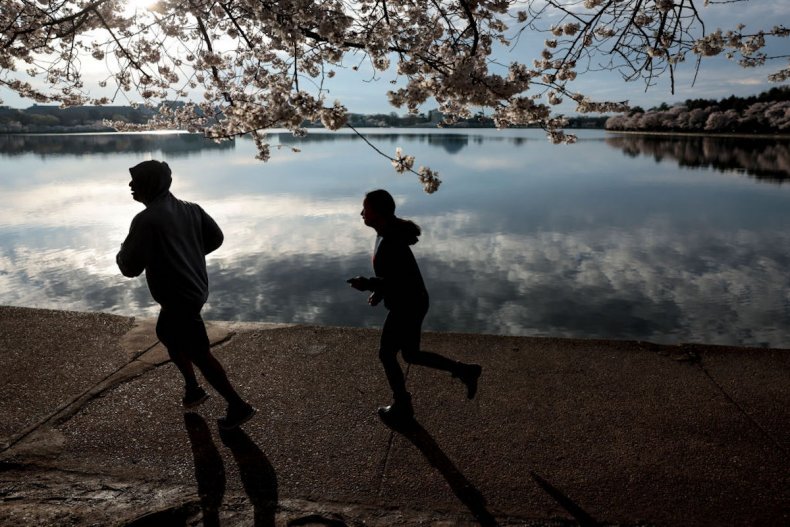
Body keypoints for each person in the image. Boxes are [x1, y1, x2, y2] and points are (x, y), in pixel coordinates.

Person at [117, 160, 255, 430]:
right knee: (166, 334)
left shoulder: (146, 220)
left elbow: (130, 267)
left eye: (136, 180)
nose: (131, 185)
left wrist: (122, 251)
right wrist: (187, 253)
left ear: (151, 183)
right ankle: (192, 389)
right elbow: (216, 239)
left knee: (200, 352)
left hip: (179, 295)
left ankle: (238, 405)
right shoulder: (191, 209)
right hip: (194, 289)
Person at [348, 189, 482, 421]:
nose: (361, 213)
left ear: (378, 212)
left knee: (386, 354)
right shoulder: (385, 233)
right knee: (411, 355)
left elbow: (397, 280)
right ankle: (465, 371)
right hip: (412, 300)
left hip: (408, 305)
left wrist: (369, 284)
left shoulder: (391, 241)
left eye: (365, 208)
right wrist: (379, 291)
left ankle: (403, 407)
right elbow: (395, 277)